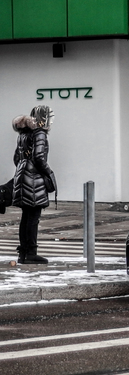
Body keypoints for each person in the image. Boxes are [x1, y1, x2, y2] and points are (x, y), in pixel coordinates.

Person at [12, 105, 56, 264]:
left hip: (22, 176)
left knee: (26, 216)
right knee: (33, 218)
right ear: (43, 119)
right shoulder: (40, 134)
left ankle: (23, 253)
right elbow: (39, 157)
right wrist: (49, 173)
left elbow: (16, 159)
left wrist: (25, 168)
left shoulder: (23, 134)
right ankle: (31, 253)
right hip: (34, 179)